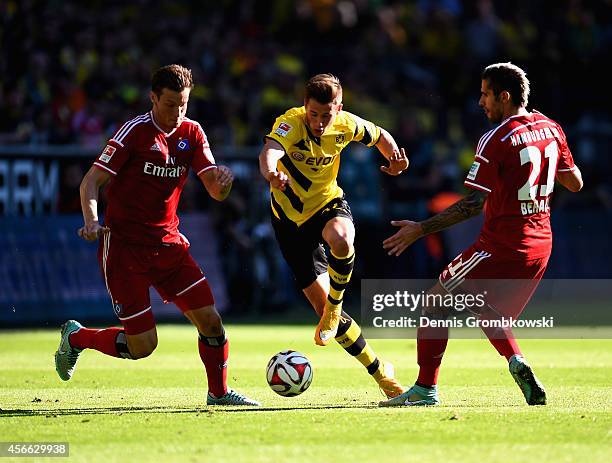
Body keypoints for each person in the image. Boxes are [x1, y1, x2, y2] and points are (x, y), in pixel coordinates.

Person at [54, 64, 260, 406]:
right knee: (143, 346)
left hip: (168, 246)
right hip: (123, 249)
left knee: (211, 321)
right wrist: (91, 220)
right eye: (170, 105)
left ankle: (219, 393)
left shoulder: (192, 132)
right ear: (153, 98)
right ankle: (77, 339)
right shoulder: (134, 132)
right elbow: (91, 181)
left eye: (184, 104)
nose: (178, 113)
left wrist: (222, 183)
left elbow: (213, 188)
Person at [379, 62, 583, 407]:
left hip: (501, 244)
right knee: (485, 310)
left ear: (505, 96)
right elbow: (574, 182)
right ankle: (516, 360)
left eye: (486, 94)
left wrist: (421, 228)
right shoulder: (552, 128)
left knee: (434, 302)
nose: (480, 102)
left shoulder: (496, 138)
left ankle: (425, 389)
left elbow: (473, 204)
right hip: (541, 246)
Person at [258, 73, 409, 398]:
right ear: (305, 106)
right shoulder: (291, 122)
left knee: (341, 239)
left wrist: (394, 157)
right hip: (288, 223)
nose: (318, 122)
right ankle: (382, 373)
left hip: (327, 203)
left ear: (338, 108)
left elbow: (379, 134)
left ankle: (336, 306)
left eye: (325, 115)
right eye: (313, 113)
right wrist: (271, 172)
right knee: (321, 308)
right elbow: (269, 150)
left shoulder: (346, 123)